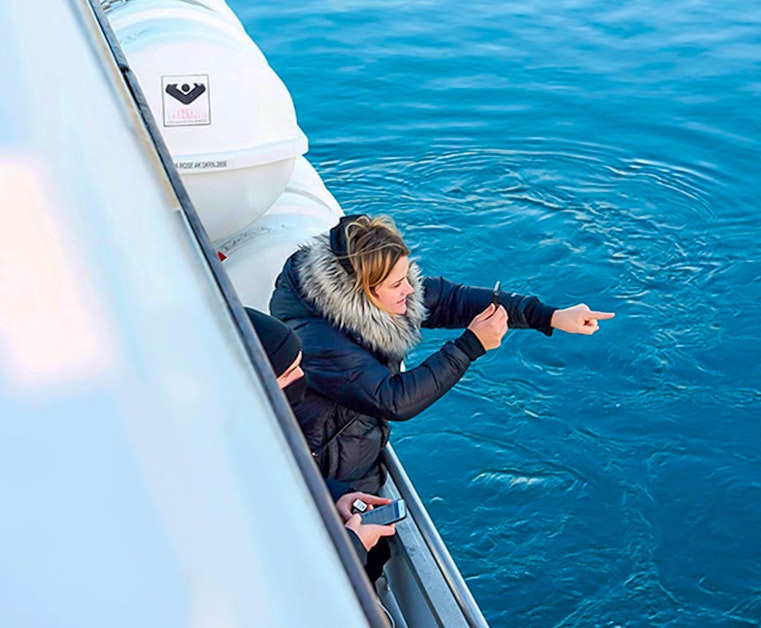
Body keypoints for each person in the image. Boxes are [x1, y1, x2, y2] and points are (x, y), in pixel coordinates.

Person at [269, 214, 614, 495]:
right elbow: (393, 399)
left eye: (407, 276)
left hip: (355, 447)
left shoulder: (375, 296)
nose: (409, 289)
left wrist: (550, 316)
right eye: (397, 285)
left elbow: (453, 300)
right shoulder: (317, 339)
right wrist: (471, 345)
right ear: (360, 291)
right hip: (325, 473)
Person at [244, 307, 395, 565]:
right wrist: (354, 544)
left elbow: (289, 485)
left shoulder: (255, 430)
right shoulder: (234, 466)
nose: (301, 377)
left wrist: (335, 498)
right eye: (288, 373)